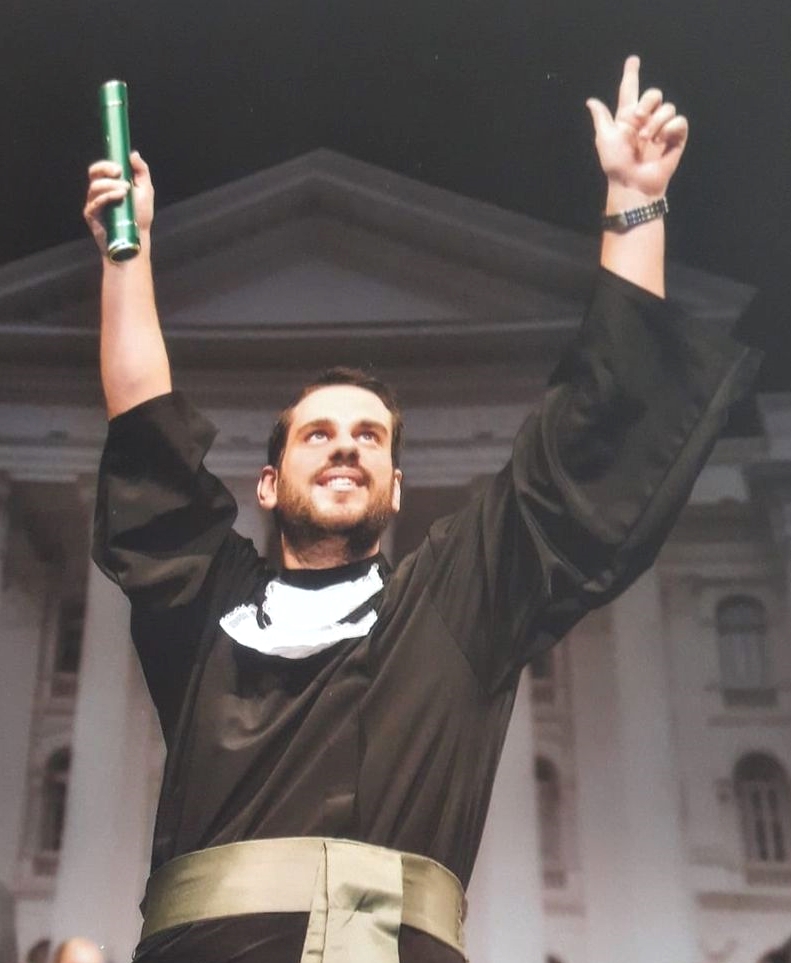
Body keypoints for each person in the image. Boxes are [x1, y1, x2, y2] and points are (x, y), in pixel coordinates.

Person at [83, 56, 759, 963]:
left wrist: (635, 205)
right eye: (317, 433)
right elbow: (145, 427)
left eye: (369, 435)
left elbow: (582, 442)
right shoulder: (206, 605)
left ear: (396, 486)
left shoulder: (450, 604)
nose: (345, 446)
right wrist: (126, 257)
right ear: (267, 483)